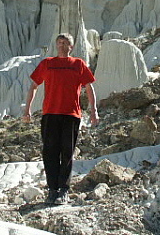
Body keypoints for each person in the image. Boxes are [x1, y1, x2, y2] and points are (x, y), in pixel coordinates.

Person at [23, 33, 99, 205]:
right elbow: (33, 86)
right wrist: (27, 109)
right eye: (59, 42)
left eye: (65, 43)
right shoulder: (47, 63)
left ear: (71, 46)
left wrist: (93, 110)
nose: (62, 45)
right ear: (56, 45)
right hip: (50, 114)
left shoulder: (78, 64)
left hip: (71, 115)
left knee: (67, 153)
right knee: (50, 153)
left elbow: (89, 87)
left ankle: (63, 190)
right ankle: (52, 190)